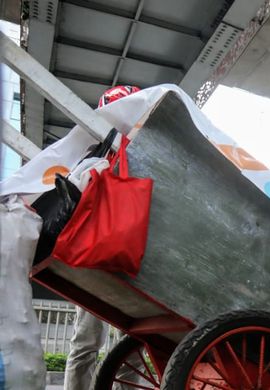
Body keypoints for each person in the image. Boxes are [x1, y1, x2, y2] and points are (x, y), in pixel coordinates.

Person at [64, 85, 141, 390]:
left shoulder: (142, 149)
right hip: (101, 256)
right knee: (88, 342)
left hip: (116, 255)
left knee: (127, 344)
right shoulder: (89, 150)